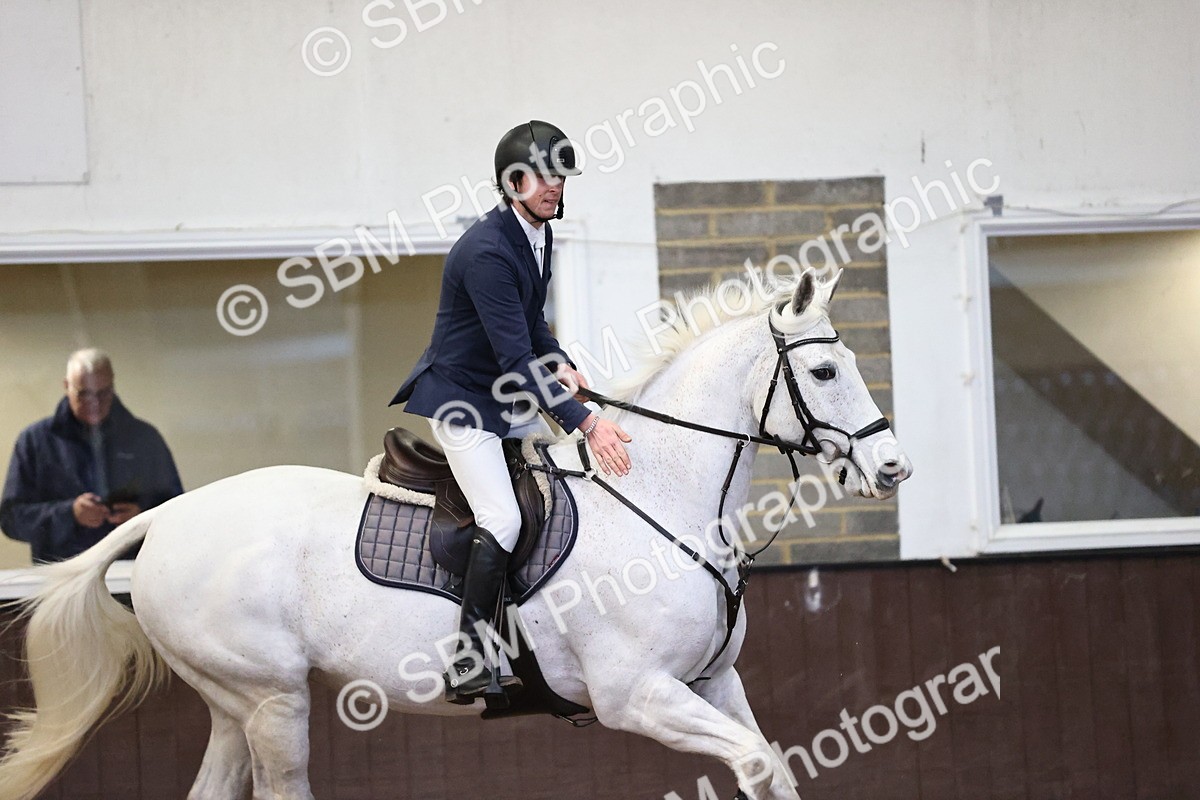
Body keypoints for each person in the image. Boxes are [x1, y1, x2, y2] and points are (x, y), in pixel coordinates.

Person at [390, 120, 633, 703]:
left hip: (502, 398)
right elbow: (515, 360)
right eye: (543, 177)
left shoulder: (536, 233)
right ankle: (469, 658)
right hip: (463, 403)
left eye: (561, 177)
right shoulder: (487, 251)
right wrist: (587, 423)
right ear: (512, 181)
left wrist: (562, 361)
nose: (555, 186)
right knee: (501, 518)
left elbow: (531, 324)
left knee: (556, 489)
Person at [1, 348, 183, 563]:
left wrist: (141, 517)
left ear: (113, 386)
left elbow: (178, 510)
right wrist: (69, 514)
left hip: (132, 571)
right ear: (67, 386)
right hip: (61, 574)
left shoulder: (145, 438)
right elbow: (11, 519)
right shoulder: (34, 441)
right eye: (84, 394)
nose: (95, 402)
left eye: (103, 393)